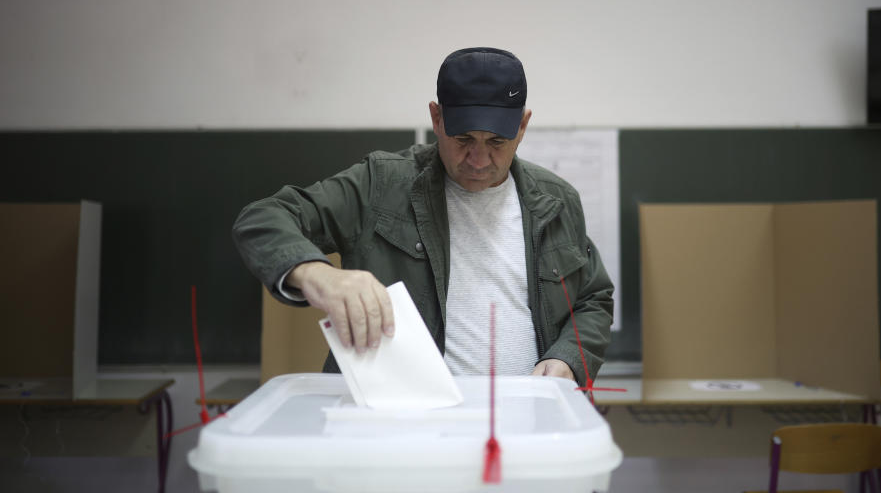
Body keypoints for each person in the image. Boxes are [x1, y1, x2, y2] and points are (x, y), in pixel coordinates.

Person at [232, 47, 614, 384]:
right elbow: (262, 218)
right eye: (463, 139)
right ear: (437, 118)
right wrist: (317, 274)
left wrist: (568, 357)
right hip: (401, 423)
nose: (479, 160)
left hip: (525, 419)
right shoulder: (381, 185)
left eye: (497, 142)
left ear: (523, 126)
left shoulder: (555, 201)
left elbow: (593, 298)